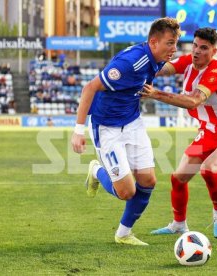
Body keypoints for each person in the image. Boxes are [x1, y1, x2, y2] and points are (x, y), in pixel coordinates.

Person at [71, 17, 181, 245]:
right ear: (153, 42)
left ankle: (123, 234)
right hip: (107, 127)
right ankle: (96, 171)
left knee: (148, 180)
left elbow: (171, 68)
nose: (174, 48)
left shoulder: (157, 58)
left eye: (176, 43)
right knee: (126, 192)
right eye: (170, 43)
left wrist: (199, 59)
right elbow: (89, 87)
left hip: (133, 123)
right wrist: (78, 131)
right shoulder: (129, 63)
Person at [140, 27, 217, 238]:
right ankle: (179, 224)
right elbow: (160, 69)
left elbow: (193, 101)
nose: (197, 51)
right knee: (178, 178)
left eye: (204, 48)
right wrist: (135, 68)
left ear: (214, 52)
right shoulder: (188, 62)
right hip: (208, 132)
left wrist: (156, 93)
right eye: (195, 46)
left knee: (209, 168)